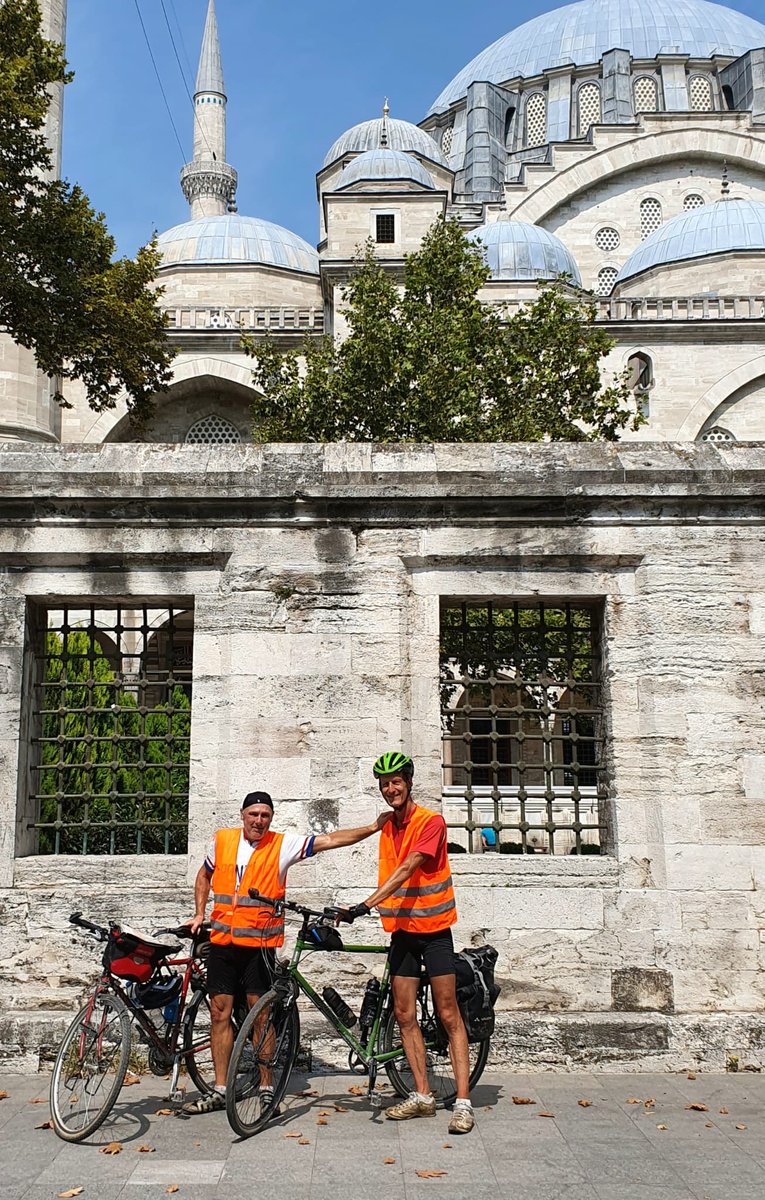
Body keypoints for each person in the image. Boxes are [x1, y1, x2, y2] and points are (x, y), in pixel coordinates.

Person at [185, 789, 386, 1114]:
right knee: (220, 1014)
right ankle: (221, 1089)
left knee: (261, 1016)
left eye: (265, 815)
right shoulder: (222, 841)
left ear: (271, 818)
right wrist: (198, 913)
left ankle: (266, 1087)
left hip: (259, 947)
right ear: (242, 815)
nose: (259, 821)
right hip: (222, 943)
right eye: (253, 814)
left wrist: (373, 827)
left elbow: (331, 840)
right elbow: (204, 874)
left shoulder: (282, 845)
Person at [340, 751, 475, 1135]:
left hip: (434, 932)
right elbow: (353, 836)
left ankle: (463, 1103)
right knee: (403, 1014)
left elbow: (407, 867)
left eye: (396, 782)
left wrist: (365, 905)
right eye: (384, 784)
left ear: (409, 782)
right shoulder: (387, 824)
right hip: (402, 932)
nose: (390, 789)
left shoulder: (431, 822)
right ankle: (422, 1095)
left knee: (448, 1014)